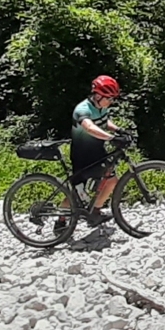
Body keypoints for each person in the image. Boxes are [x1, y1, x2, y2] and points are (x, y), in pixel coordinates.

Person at [71, 75, 128, 224]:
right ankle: (61, 220)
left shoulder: (100, 107)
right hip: (82, 156)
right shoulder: (82, 109)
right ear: (97, 95)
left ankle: (94, 212)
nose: (111, 102)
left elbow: (103, 121)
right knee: (77, 193)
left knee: (110, 180)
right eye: (109, 98)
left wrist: (119, 130)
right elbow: (90, 127)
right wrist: (111, 138)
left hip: (97, 152)